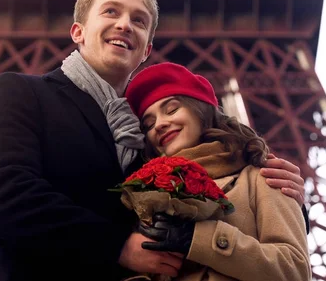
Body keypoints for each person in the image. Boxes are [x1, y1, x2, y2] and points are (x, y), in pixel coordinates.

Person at [0, 0, 307, 281]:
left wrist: (284, 202)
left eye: (139, 20)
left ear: (146, 50)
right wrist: (117, 246)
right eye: (111, 12)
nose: (125, 24)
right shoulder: (21, 91)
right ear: (78, 32)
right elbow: (3, 193)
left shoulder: (142, 145)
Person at [124, 61, 311, 281]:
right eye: (148, 124)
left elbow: (295, 273)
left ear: (200, 111)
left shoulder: (263, 177)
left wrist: (199, 238)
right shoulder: (146, 197)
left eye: (172, 109)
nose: (160, 125)